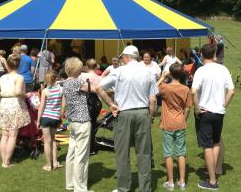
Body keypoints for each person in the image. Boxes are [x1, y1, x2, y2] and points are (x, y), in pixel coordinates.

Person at [97, 45, 158, 192]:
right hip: (143, 113)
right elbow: (153, 100)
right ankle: (146, 188)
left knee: (122, 152)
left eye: (122, 57)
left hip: (124, 114)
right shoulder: (149, 72)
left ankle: (123, 188)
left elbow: (99, 87)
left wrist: (111, 104)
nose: (122, 60)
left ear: (126, 57)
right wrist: (149, 117)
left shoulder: (119, 71)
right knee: (144, 153)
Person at [192, 44, 234, 190]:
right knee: (215, 142)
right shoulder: (223, 69)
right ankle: (213, 173)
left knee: (207, 145)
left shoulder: (201, 70)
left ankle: (212, 181)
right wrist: (224, 105)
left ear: (202, 54)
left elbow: (193, 91)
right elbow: (231, 91)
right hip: (219, 112)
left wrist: (197, 109)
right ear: (215, 54)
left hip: (205, 112)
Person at [156, 64, 192, 191]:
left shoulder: (165, 87)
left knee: (168, 152)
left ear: (170, 73)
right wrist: (184, 119)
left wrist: (162, 76)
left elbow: (154, 88)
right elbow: (187, 108)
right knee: (181, 152)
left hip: (168, 123)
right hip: (180, 122)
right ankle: (182, 182)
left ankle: (170, 182)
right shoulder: (186, 89)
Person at [63, 57, 96, 192]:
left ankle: (70, 183)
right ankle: (80, 188)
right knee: (81, 156)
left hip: (73, 122)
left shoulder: (65, 83)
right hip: (82, 122)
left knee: (71, 153)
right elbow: (95, 89)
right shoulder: (78, 82)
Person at [0, 55, 30, 168]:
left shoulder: (2, 77)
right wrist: (26, 94)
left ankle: (4, 160)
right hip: (15, 104)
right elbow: (18, 92)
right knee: (12, 135)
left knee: (5, 134)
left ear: (7, 65)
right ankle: (6, 162)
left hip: (4, 104)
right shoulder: (19, 77)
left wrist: (3, 94)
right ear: (19, 65)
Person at [37, 70, 64, 171]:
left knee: (47, 141)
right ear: (56, 78)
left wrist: (38, 120)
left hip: (46, 117)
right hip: (55, 118)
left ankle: (49, 165)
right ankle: (55, 162)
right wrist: (61, 116)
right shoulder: (61, 89)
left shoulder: (45, 91)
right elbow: (63, 105)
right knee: (53, 140)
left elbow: (41, 107)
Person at [79, 58, 103, 155]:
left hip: (86, 103)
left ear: (86, 65)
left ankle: (87, 147)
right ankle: (91, 147)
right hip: (97, 104)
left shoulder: (81, 76)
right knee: (92, 125)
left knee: (85, 126)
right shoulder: (100, 78)